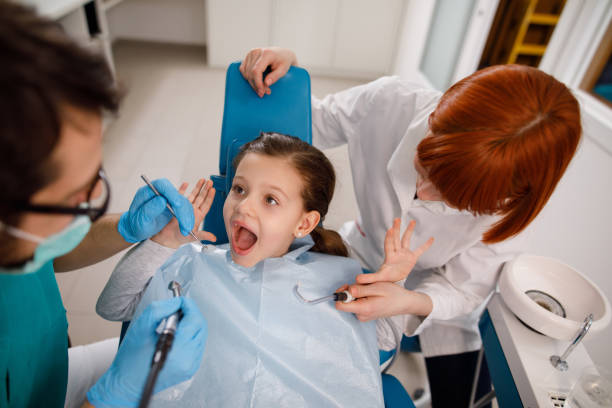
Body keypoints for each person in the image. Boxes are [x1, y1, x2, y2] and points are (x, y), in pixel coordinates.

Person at [239, 47, 582, 407]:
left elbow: (462, 288)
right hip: (361, 248)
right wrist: (288, 78)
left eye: (449, 198)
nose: (423, 192)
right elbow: (312, 123)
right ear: (437, 116)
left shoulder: (508, 206)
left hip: (431, 288)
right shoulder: (389, 103)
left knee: (460, 394)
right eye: (425, 166)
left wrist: (408, 300)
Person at [96, 133, 431, 406]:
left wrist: (393, 284)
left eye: (270, 200)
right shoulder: (192, 260)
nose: (243, 205)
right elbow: (113, 307)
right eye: (240, 189)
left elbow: (375, 348)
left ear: (304, 223)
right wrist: (161, 242)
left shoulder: (335, 277)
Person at [0, 3, 210, 407]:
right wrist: (118, 394)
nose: (92, 201)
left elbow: (45, 253)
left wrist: (127, 228)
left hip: (47, 372)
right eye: (71, 196)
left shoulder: (20, 236)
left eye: (96, 175)